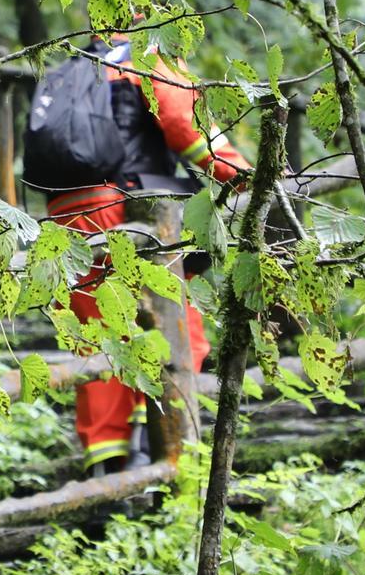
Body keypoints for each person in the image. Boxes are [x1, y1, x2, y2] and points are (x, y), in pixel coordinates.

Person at [39, 34, 251, 474]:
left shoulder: (72, 68)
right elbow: (185, 124)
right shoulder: (148, 55)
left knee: (99, 338)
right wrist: (246, 176)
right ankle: (162, 455)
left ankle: (107, 468)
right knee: (171, 329)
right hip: (129, 212)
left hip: (66, 217)